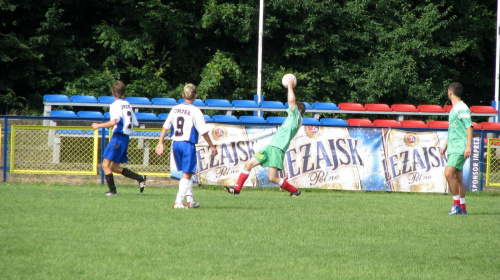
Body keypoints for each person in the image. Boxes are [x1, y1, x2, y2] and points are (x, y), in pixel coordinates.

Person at [225, 78, 306, 197]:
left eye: (291, 108)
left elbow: (291, 100)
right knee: (248, 164)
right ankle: (237, 189)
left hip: (277, 149)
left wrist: (290, 85)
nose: (289, 109)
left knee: (272, 178)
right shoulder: (291, 117)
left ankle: (295, 191)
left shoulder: (296, 117)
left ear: (298, 110)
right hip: (270, 148)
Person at [155, 83, 218, 209]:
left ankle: (190, 200)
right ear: (196, 95)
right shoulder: (195, 111)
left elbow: (165, 126)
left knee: (186, 172)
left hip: (176, 143)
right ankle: (178, 202)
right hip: (187, 143)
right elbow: (203, 131)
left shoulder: (175, 108)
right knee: (187, 173)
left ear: (183, 95)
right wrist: (212, 146)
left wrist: (160, 142)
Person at [92, 80, 147, 195]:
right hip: (125, 138)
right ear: (124, 92)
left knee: (105, 165)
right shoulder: (127, 104)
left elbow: (113, 122)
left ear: (113, 92)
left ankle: (113, 191)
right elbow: (135, 123)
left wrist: (98, 125)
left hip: (118, 137)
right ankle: (140, 178)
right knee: (114, 167)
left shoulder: (115, 105)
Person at [440, 82, 473, 215]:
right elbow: (455, 130)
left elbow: (469, 126)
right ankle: (463, 208)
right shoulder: (454, 109)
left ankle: (456, 205)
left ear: (450, 92)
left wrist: (468, 146)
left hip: (460, 147)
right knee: (457, 177)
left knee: (448, 173)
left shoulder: (462, 107)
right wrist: (445, 145)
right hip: (453, 147)